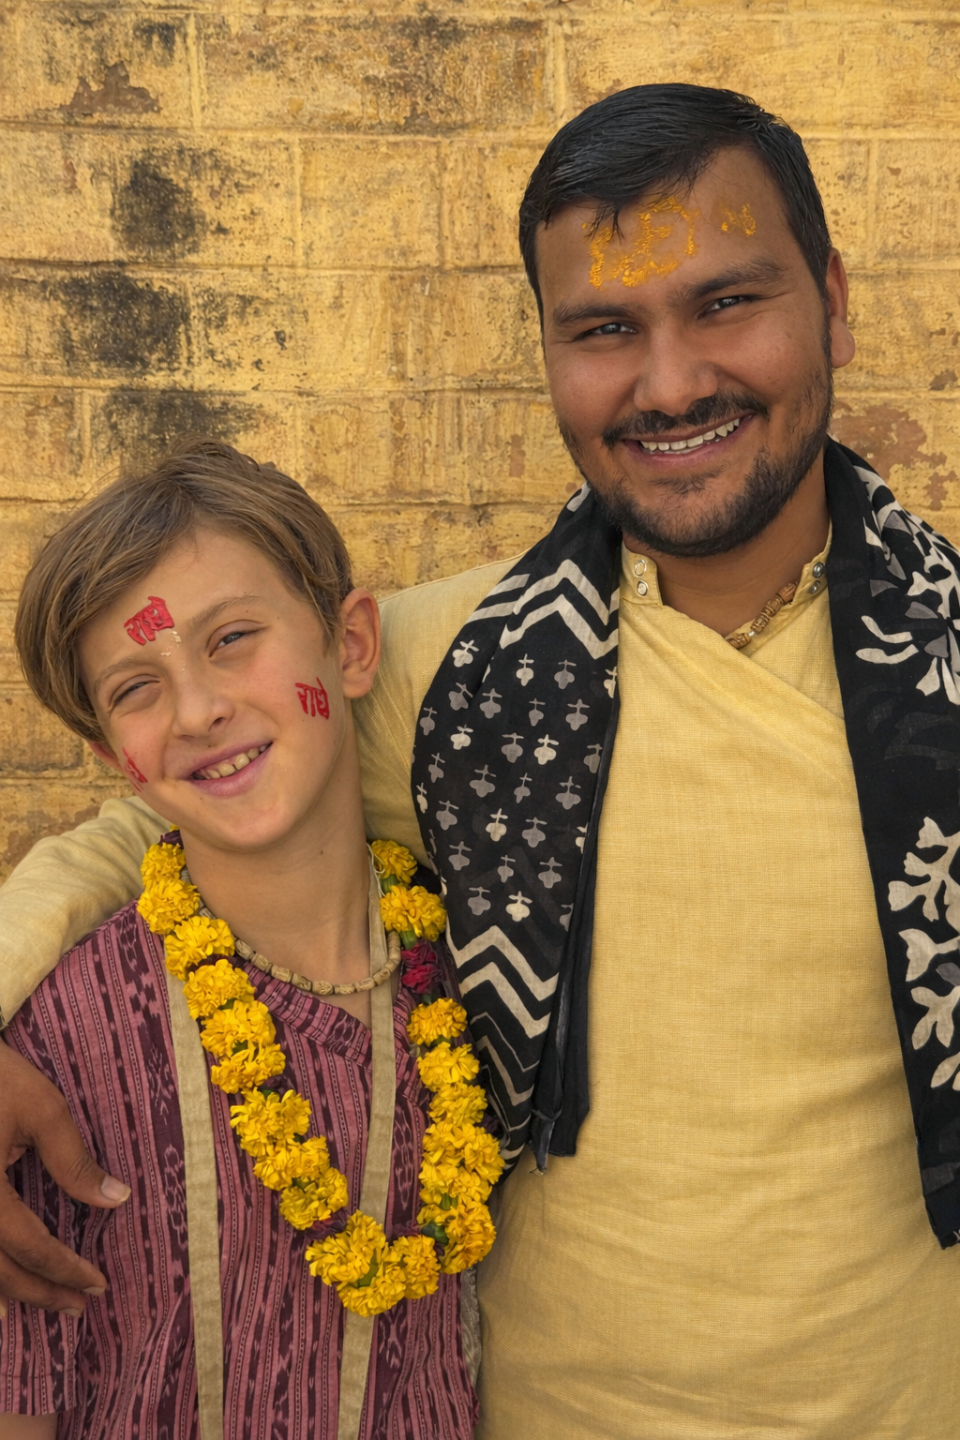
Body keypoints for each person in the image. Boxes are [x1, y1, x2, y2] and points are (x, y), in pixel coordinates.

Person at [1, 80, 960, 1438]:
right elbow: (149, 815)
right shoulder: (462, 671)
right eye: (606, 329)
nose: (672, 381)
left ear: (837, 302)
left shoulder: (948, 677)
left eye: (728, 302)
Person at [0, 442, 497, 1437]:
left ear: (351, 646)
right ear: (114, 758)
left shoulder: (482, 979)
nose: (198, 709)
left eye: (232, 638)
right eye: (136, 688)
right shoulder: (55, 1051)